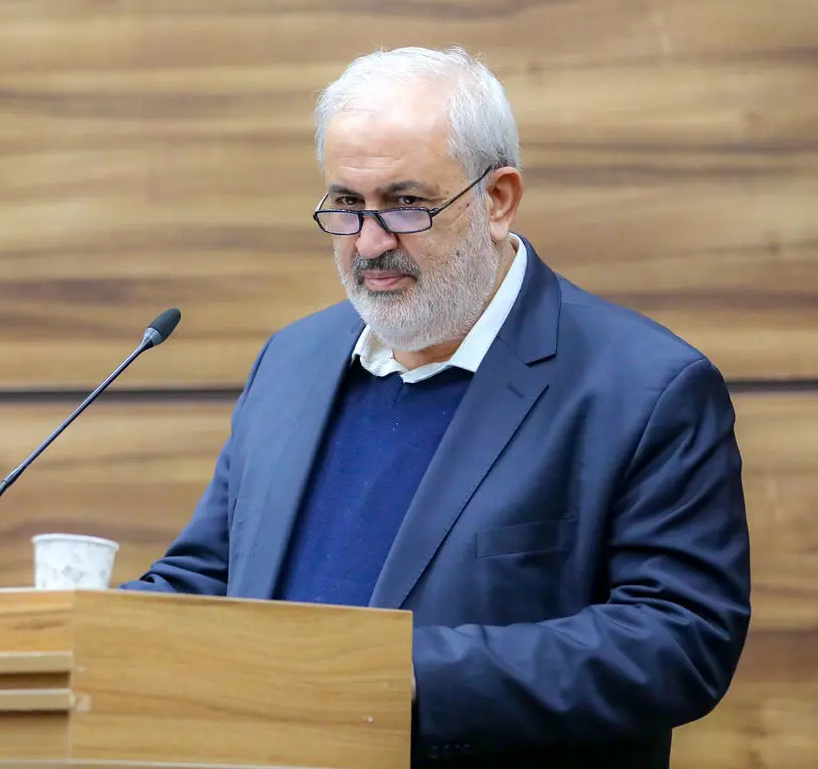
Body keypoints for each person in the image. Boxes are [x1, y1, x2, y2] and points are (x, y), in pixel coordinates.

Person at [119, 46, 752, 768]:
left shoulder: (643, 388)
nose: (370, 243)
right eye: (347, 206)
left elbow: (678, 641)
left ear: (498, 200)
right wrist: (71, 628)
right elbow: (210, 578)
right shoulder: (292, 362)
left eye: (406, 205)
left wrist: (395, 675)